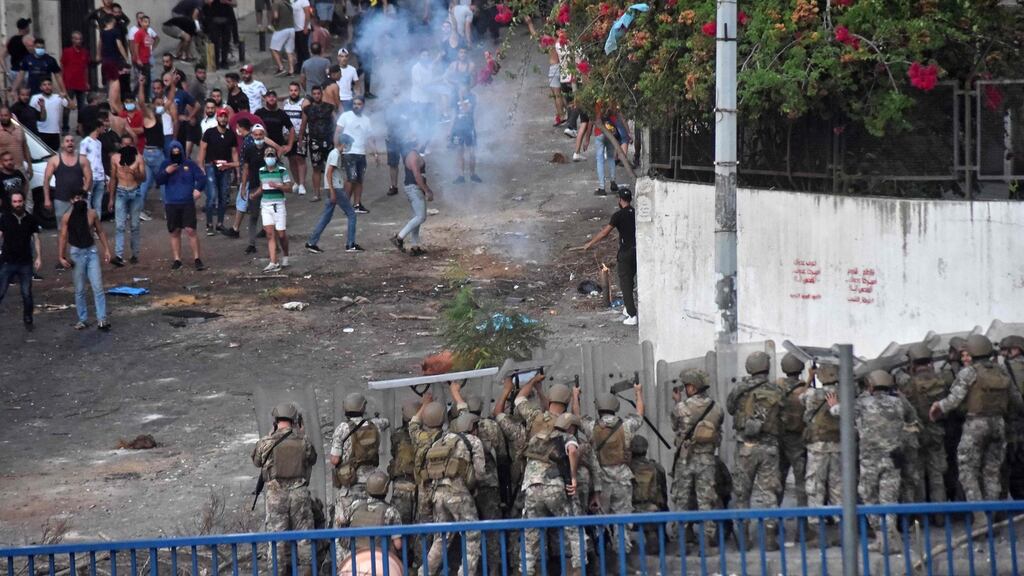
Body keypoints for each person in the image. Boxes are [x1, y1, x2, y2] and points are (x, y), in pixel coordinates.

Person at [930, 334, 1024, 527]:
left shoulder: (969, 372)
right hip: (999, 425)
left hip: (976, 425)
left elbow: (953, 400)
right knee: (992, 472)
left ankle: (980, 517)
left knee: (967, 472)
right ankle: (992, 515)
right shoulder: (1002, 371)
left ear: (972, 352)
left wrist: (938, 406)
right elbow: (1017, 402)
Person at [832, 370, 916, 553]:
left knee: (868, 496)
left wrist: (833, 405)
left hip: (870, 459)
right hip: (893, 458)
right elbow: (912, 417)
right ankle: (890, 540)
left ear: (870, 385)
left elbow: (839, 412)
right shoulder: (899, 402)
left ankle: (880, 537)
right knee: (889, 499)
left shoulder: (862, 403)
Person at [516, 377, 584, 575]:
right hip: (554, 484)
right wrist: (573, 478)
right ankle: (577, 570)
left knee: (530, 535)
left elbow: (519, 399)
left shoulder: (534, 417)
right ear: (567, 402)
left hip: (531, 485)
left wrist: (534, 382)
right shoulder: (565, 424)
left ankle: (527, 571)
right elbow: (572, 450)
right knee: (572, 530)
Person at [251, 403, 318, 576]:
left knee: (277, 541)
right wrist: (301, 434)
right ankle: (307, 572)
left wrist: (270, 436)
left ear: (275, 420)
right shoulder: (303, 441)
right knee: (304, 538)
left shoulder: (266, 442)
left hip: (276, 495)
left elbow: (257, 461)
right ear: (295, 420)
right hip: (299, 494)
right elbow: (312, 459)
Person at [726, 351, 784, 550]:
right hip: (770, 448)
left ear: (749, 367)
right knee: (769, 493)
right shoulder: (776, 390)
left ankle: (743, 540)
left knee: (742, 493)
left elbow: (730, 408)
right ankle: (770, 539)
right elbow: (782, 415)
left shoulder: (740, 388)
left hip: (746, 447)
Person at [582, 386, 643, 557]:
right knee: (622, 520)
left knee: (600, 520)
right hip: (622, 479)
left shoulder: (592, 427)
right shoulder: (626, 426)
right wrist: (638, 392)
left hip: (601, 481)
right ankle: (622, 557)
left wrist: (575, 396)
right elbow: (639, 414)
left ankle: (602, 556)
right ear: (615, 406)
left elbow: (577, 418)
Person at [424, 411, 484, 576]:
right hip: (459, 494)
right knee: (472, 536)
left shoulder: (439, 442)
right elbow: (480, 473)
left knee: (441, 538)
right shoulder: (473, 441)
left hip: (437, 494)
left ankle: (424, 573)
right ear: (471, 426)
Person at [670, 369, 723, 549]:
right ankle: (707, 543)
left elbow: (676, 426)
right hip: (707, 460)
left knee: (682, 501)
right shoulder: (716, 407)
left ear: (692, 387)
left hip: (685, 461)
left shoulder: (681, 408)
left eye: (686, 386)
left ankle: (682, 543)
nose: (685, 389)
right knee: (706, 501)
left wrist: (677, 402)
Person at [575, 188, 637, 325]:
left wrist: (590, 243)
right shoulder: (635, 213)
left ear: (620, 200)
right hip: (637, 252)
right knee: (630, 280)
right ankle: (628, 307)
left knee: (625, 283)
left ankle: (632, 315)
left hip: (626, 253)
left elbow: (604, 233)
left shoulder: (618, 215)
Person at [329, 393, 390, 528]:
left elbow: (334, 459)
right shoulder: (375, 425)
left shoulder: (342, 428)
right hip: (372, 484)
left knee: (343, 523)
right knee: (368, 520)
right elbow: (386, 422)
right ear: (363, 407)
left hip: (350, 482)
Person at [57, 189, 111, 330]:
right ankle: (83, 319)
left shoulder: (92, 214)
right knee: (79, 289)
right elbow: (63, 237)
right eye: (76, 198)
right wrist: (61, 256)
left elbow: (100, 231)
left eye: (81, 197)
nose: (79, 200)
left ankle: (102, 319)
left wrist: (106, 249)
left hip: (91, 251)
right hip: (77, 253)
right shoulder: (67, 217)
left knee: (98, 287)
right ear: (71, 200)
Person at [801, 363, 842, 546]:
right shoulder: (845, 394)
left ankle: (818, 534)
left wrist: (809, 378)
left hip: (817, 447)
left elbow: (801, 398)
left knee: (815, 487)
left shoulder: (812, 394)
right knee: (837, 488)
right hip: (838, 446)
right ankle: (842, 531)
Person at [155, 140, 206, 271]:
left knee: (190, 230)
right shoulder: (165, 164)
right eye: (174, 152)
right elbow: (158, 180)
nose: (176, 154)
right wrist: (167, 172)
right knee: (174, 231)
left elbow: (201, 178)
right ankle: (177, 259)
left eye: (178, 152)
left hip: (187, 202)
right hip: (171, 202)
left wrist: (198, 189)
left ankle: (197, 258)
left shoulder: (189, 164)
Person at [305, 134, 359, 254]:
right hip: (336, 189)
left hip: (333, 188)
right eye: (349, 145)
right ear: (344, 144)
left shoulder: (335, 153)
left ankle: (311, 242)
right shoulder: (335, 154)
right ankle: (350, 244)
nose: (350, 147)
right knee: (352, 214)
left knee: (326, 216)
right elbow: (329, 173)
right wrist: (333, 191)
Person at [334, 471, 403, 557]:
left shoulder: (356, 504)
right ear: (386, 489)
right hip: (379, 557)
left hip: (355, 556)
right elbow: (398, 544)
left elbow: (340, 520)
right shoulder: (391, 511)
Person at [0, 192, 41, 328]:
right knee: (1, 291)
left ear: (23, 201)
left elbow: (36, 238)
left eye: (19, 201)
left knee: (26, 293)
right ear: (11, 203)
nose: (17, 204)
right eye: (15, 201)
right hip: (8, 261)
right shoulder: (5, 218)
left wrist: (39, 257)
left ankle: (28, 318)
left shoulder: (30, 219)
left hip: (25, 262)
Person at [197, 108, 239, 235]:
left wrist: (237, 170)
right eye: (221, 116)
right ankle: (209, 224)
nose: (223, 119)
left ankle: (220, 223)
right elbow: (202, 149)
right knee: (212, 195)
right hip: (211, 165)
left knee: (223, 196)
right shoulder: (209, 132)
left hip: (225, 167)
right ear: (217, 118)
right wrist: (201, 166)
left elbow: (234, 152)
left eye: (225, 116)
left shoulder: (231, 134)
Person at [43, 133, 92, 238]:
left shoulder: (83, 160)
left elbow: (89, 179)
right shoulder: (54, 160)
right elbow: (46, 181)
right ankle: (63, 249)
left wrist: (81, 194)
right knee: (62, 231)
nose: (70, 143)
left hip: (80, 200)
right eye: (67, 141)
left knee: (83, 227)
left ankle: (81, 247)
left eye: (72, 141)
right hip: (61, 199)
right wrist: (47, 199)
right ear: (62, 144)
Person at [107, 138, 146, 266]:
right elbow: (113, 179)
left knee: (135, 225)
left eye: (129, 144)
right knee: (119, 225)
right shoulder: (115, 158)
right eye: (125, 144)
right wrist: (111, 199)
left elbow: (144, 178)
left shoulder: (138, 158)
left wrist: (134, 172)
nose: (127, 146)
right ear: (121, 145)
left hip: (135, 191)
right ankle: (118, 255)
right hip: (121, 192)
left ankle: (135, 254)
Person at [777, 353, 809, 508]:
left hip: (779, 438)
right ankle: (803, 520)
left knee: (777, 480)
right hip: (798, 440)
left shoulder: (776, 387)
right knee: (801, 482)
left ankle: (773, 517)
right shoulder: (805, 390)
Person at [335, 97, 375, 213]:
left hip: (361, 153)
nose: (356, 106)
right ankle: (346, 204)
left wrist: (375, 152)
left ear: (363, 105)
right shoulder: (345, 116)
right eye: (354, 104)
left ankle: (357, 205)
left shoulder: (366, 120)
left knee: (359, 179)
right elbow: (337, 132)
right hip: (349, 152)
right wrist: (337, 148)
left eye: (359, 104)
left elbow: (369, 138)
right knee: (351, 178)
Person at [255, 147, 292, 271]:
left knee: (281, 234)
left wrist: (277, 185)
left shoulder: (282, 170)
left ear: (276, 157)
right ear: (264, 158)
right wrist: (254, 195)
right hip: (266, 204)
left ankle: (285, 255)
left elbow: (289, 188)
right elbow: (262, 187)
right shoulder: (261, 171)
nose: (270, 158)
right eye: (268, 156)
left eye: (272, 156)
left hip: (278, 204)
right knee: (269, 233)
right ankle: (273, 262)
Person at [629, 435, 668, 551]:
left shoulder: (625, 469)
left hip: (630, 511)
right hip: (652, 509)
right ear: (646, 449)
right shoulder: (657, 468)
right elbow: (663, 494)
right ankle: (656, 538)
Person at [386, 401, 421, 524]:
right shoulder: (424, 435)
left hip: (402, 484)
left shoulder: (397, 435)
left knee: (400, 523)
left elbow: (393, 452)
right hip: (420, 484)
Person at [299, 85, 335, 203]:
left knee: (332, 167)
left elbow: (335, 123)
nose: (316, 96)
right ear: (312, 95)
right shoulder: (307, 109)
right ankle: (316, 194)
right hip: (314, 141)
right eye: (314, 94)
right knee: (316, 168)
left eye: (318, 93)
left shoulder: (329, 107)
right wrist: (300, 140)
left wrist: (337, 138)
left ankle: (332, 191)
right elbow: (303, 125)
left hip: (328, 140)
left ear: (321, 94)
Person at [1001, 335, 1024, 499]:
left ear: (1015, 350)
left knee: (1012, 466)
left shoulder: (1006, 368)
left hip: (1013, 423)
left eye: (1005, 350)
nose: (1002, 354)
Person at [59, 32, 91, 134]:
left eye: (80, 39)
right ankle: (65, 127)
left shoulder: (85, 52)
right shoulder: (67, 52)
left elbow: (86, 68)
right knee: (67, 106)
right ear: (72, 40)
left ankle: (79, 127)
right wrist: (62, 83)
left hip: (81, 83)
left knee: (82, 107)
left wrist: (87, 81)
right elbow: (62, 67)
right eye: (76, 39)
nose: (79, 41)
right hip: (69, 83)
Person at [31, 80, 74, 151]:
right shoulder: (35, 98)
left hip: (55, 133)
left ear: (52, 86)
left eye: (49, 84)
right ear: (41, 87)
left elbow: (73, 107)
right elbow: (30, 113)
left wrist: (66, 97)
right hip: (40, 131)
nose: (47, 87)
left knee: (54, 154)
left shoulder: (58, 97)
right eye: (44, 85)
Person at [449, 87, 481, 184]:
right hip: (458, 128)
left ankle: (472, 174)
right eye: (459, 87)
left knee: (472, 152)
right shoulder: (455, 97)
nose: (461, 89)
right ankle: (461, 176)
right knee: (459, 151)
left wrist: (461, 98)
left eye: (462, 86)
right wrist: (450, 130)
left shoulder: (472, 97)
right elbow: (454, 114)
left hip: (469, 128)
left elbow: (466, 109)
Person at [282, 83, 307, 196]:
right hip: (287, 136)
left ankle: (302, 184)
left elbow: (305, 120)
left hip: (300, 135)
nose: (293, 92)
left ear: (299, 91)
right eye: (291, 90)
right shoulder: (285, 103)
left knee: (300, 159)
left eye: (295, 90)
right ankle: (296, 181)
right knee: (291, 159)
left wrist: (301, 135)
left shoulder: (303, 103)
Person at [0, 108, 33, 182]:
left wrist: (30, 166)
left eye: (5, 115)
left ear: (11, 116)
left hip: (20, 168)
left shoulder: (19, 129)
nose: (3, 118)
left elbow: (25, 148)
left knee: (25, 188)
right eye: (1, 116)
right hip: (3, 170)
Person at [99, 16, 131, 85]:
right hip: (113, 59)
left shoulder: (102, 32)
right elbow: (119, 45)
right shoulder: (115, 31)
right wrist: (126, 57)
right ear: (112, 22)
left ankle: (108, 90)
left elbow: (100, 44)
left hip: (105, 59)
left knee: (107, 79)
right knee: (115, 79)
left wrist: (99, 55)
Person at [270, 0, 297, 77]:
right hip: (291, 29)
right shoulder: (287, 3)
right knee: (289, 51)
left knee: (273, 48)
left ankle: (281, 67)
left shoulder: (276, 3)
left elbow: (276, 16)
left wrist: (272, 22)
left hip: (281, 29)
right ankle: (291, 71)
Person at [131, 16, 156, 97]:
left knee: (146, 80)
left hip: (146, 60)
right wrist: (138, 59)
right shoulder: (139, 33)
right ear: (141, 22)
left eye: (148, 22)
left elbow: (147, 46)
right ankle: (133, 95)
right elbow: (136, 46)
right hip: (141, 61)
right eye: (145, 22)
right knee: (144, 80)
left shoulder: (146, 33)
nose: (147, 24)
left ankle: (144, 97)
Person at [292, 0, 313, 69]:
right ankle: (299, 66)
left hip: (303, 28)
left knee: (304, 49)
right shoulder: (292, 2)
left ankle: (308, 66)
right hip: (295, 29)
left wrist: (305, 27)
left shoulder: (304, 1)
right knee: (298, 49)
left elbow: (307, 14)